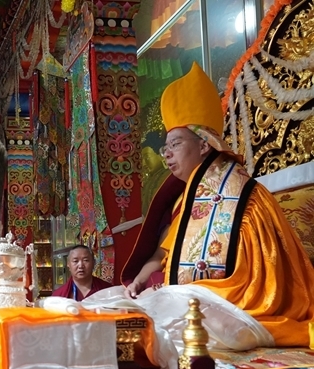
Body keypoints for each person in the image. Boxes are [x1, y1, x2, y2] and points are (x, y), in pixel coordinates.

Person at [122, 62, 314, 347]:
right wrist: (138, 282)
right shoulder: (188, 198)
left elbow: (253, 281)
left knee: (179, 321)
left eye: (175, 144)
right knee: (115, 305)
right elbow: (163, 253)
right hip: (199, 294)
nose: (167, 155)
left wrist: (174, 294)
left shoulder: (244, 197)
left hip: (238, 297)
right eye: (166, 148)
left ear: (204, 145)